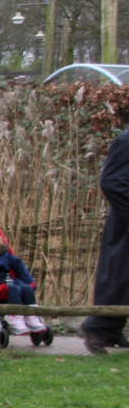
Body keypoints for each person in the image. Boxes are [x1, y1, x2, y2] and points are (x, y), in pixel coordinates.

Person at [79, 125, 129, 355]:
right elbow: (111, 182)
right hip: (125, 224)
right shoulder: (126, 140)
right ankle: (97, 329)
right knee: (118, 278)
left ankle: (112, 329)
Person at [0, 227, 45, 335]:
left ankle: (31, 316)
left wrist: (29, 281)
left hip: (8, 280)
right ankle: (14, 316)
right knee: (13, 288)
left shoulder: (5, 256)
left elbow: (20, 266)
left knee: (27, 288)